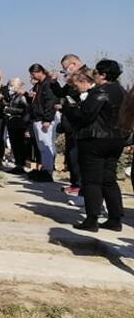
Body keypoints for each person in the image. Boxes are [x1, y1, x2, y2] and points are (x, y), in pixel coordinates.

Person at [63, 60, 127, 231]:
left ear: (104, 75)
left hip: (95, 139)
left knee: (92, 180)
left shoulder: (100, 91)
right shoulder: (122, 91)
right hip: (117, 139)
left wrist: (69, 108)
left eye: (97, 72)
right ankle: (115, 219)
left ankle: (91, 219)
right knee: (109, 179)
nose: (95, 75)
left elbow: (85, 115)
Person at [50, 54, 89, 197]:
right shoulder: (73, 77)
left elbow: (84, 98)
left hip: (80, 122)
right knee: (72, 154)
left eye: (66, 68)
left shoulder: (87, 75)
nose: (65, 71)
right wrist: (54, 83)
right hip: (71, 122)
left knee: (78, 155)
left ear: (73, 64)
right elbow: (63, 92)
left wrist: (67, 105)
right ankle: (75, 183)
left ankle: (80, 185)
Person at [28, 63, 59, 182]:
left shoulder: (47, 84)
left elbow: (50, 102)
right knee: (42, 145)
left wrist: (47, 119)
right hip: (38, 117)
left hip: (44, 119)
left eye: (33, 74)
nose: (33, 77)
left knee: (46, 145)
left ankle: (48, 170)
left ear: (39, 71)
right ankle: (45, 168)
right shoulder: (40, 85)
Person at [4, 77, 32, 174]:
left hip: (19, 123)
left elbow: (26, 110)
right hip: (13, 123)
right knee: (15, 145)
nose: (10, 87)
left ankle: (20, 165)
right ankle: (18, 164)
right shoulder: (14, 96)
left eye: (12, 85)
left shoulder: (22, 97)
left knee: (19, 145)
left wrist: (10, 110)